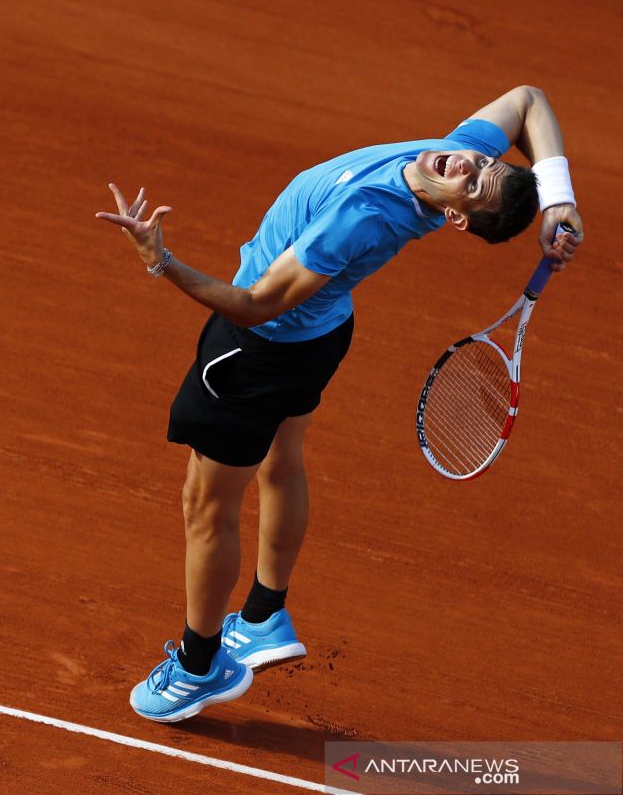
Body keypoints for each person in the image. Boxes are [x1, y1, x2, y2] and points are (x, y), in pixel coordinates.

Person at [95, 86, 584, 723]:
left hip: (258, 352)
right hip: (321, 334)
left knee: (206, 505)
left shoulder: (365, 217)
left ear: (457, 218)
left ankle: (196, 666)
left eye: (474, 182)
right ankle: (266, 615)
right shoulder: (455, 156)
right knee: (281, 460)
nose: (464, 164)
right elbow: (526, 101)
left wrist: (161, 262)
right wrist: (558, 198)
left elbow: (257, 304)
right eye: (483, 164)